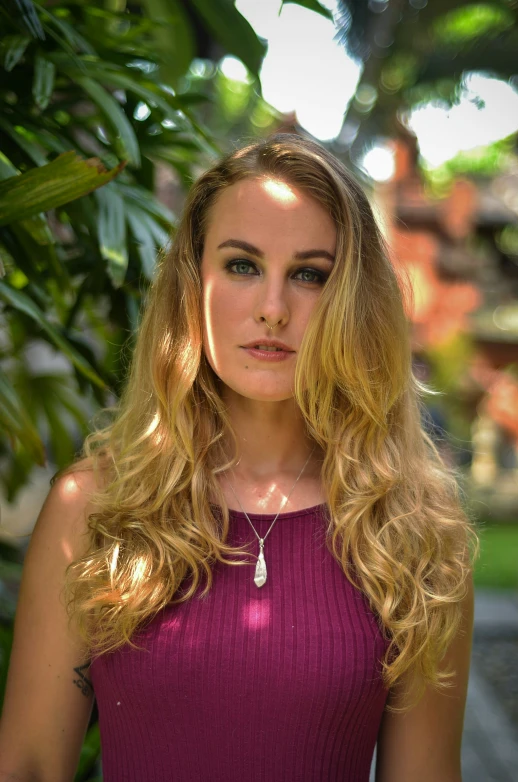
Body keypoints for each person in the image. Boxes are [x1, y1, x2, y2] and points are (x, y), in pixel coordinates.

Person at [0, 133, 478, 782]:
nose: (273, 309)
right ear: (192, 285)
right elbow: (27, 767)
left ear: (353, 302)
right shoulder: (94, 511)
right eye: (242, 265)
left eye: (309, 274)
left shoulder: (413, 534)